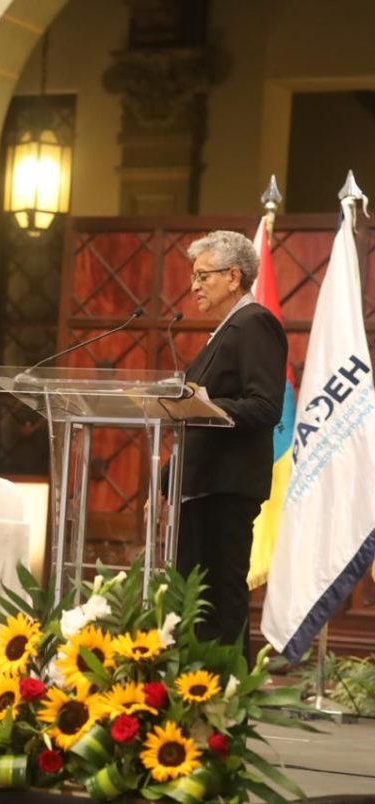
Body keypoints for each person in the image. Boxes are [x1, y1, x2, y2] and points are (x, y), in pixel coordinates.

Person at [173, 230, 287, 650]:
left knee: (220, 597)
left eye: (203, 276)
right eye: (194, 276)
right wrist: (167, 480)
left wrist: (203, 403)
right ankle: (198, 682)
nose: (194, 286)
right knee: (196, 601)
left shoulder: (254, 323)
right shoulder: (226, 330)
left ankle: (229, 683)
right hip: (201, 485)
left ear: (233, 276)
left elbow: (265, 407)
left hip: (226, 486)